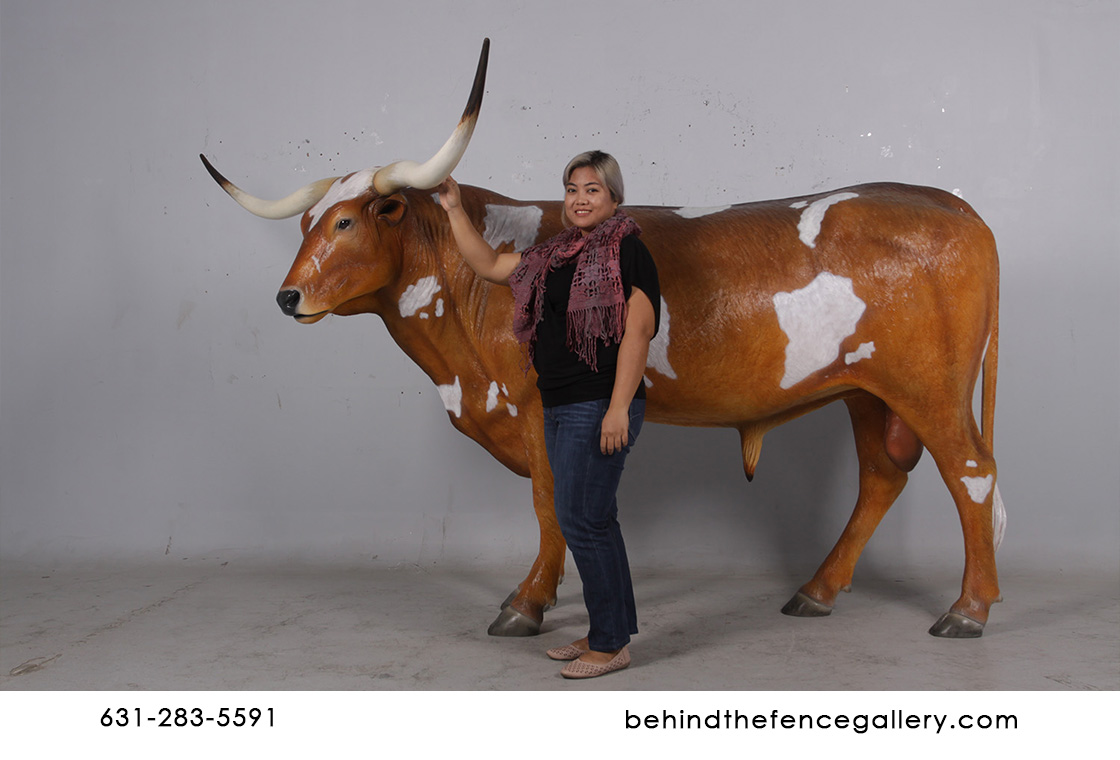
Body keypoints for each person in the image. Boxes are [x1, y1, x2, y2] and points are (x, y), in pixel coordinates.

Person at [437, 150, 660, 679]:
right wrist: (452, 209)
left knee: (583, 522)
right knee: (591, 519)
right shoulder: (555, 254)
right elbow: (490, 265)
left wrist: (618, 409)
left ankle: (609, 646)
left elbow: (639, 330)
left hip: (600, 404)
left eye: (593, 190)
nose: (580, 199)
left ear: (614, 198)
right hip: (560, 403)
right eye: (573, 189)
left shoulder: (628, 249)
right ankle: (611, 629)